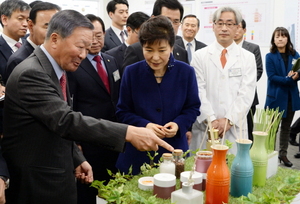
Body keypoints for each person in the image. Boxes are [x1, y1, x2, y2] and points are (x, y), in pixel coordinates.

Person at [2, 10, 174, 204]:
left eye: (87, 48)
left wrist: (76, 158)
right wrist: (128, 132)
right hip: (40, 184)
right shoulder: (32, 74)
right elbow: (65, 120)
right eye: (80, 47)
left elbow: (54, 122)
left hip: (57, 175)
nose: (84, 55)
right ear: (56, 39)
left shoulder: (56, 68)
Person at [116, 15, 200, 175]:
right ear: (141, 47)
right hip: (138, 153)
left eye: (162, 50)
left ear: (171, 47)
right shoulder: (132, 72)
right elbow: (123, 111)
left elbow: (193, 108)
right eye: (148, 50)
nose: (155, 57)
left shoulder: (186, 72)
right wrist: (145, 125)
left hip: (175, 150)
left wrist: (178, 125)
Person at [67, 14, 122, 204]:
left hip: (113, 135)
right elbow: (70, 106)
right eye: (91, 37)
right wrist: (76, 143)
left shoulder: (110, 60)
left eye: (99, 35)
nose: (95, 41)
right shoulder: (74, 65)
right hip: (89, 139)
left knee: (113, 186)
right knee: (88, 189)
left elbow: (114, 96)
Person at [190, 6, 256, 155]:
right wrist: (211, 120)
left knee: (233, 173)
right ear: (213, 26)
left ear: (237, 27)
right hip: (205, 127)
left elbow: (246, 93)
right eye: (220, 23)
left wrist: (228, 120)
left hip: (234, 128)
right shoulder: (199, 56)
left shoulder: (248, 58)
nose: (224, 28)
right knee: (202, 172)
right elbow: (197, 90)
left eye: (229, 24)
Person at [265, 27, 300, 167]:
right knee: (272, 129)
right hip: (276, 97)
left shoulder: (295, 54)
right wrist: (289, 79)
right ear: (273, 39)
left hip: (291, 98)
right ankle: (270, 155)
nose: (280, 39)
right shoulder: (270, 56)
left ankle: (283, 155)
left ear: (287, 39)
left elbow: (299, 71)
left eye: (283, 36)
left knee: (286, 128)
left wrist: (297, 76)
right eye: (277, 36)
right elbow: (272, 77)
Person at [122, 0, 188, 70]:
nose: (171, 26)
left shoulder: (182, 52)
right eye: (167, 20)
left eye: (176, 21)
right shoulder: (136, 50)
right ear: (153, 19)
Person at [4, 2, 60, 83]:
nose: (54, 34)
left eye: (58, 28)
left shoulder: (55, 55)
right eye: (47, 27)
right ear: (30, 25)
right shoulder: (19, 60)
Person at [234, 19, 263, 141]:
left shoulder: (253, 48)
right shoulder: (223, 49)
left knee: (248, 130)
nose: (235, 30)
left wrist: (242, 84)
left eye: (238, 27)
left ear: (244, 30)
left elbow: (259, 70)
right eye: (233, 26)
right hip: (228, 97)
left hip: (248, 97)